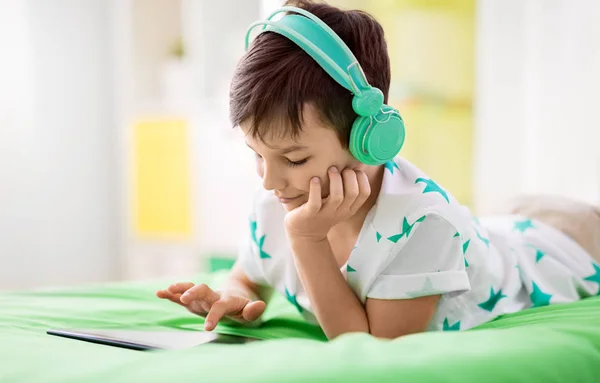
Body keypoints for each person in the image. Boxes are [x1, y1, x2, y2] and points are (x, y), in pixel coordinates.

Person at [157, 0, 600, 340]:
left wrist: (307, 241)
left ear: (368, 137)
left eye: (293, 159)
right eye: (257, 154)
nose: (269, 180)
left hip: (566, 241)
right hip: (497, 229)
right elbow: (248, 272)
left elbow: (368, 347)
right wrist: (237, 297)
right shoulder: (279, 197)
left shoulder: (424, 224)